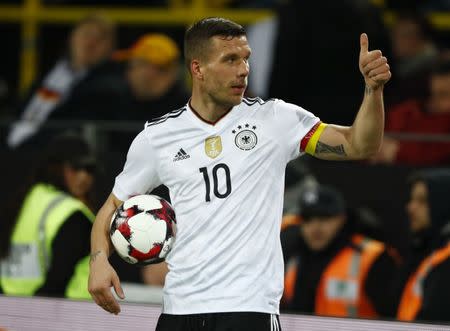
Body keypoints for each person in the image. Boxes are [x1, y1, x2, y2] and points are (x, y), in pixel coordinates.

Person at [88, 17, 391, 330]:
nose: (243, 69)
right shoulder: (158, 137)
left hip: (249, 309)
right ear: (198, 69)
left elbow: (359, 146)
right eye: (230, 60)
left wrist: (373, 90)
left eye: (246, 58)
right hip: (179, 310)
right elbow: (110, 209)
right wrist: (98, 261)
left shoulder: (276, 119)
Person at [0, 134, 97, 298]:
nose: (83, 176)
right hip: (68, 315)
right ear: (56, 167)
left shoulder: (26, 200)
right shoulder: (72, 214)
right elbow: (58, 281)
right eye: (75, 167)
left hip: (10, 310)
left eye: (89, 169)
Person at [281, 185, 398, 318]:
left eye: (324, 218)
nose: (315, 227)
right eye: (307, 219)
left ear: (342, 219)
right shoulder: (293, 256)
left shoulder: (372, 258)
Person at [6, 13, 117, 151]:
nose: (90, 43)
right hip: (12, 145)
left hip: (43, 155)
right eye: (86, 35)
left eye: (99, 39)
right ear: (72, 38)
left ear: (110, 48)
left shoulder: (107, 84)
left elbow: (69, 127)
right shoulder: (53, 71)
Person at [395, 169, 450, 323]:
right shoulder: (429, 250)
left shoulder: (445, 260)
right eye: (412, 200)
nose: (410, 208)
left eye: (422, 201)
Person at [374, 58, 450, 165]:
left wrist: (398, 153)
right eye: (433, 94)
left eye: (444, 95)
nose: (435, 102)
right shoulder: (406, 112)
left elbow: (438, 156)